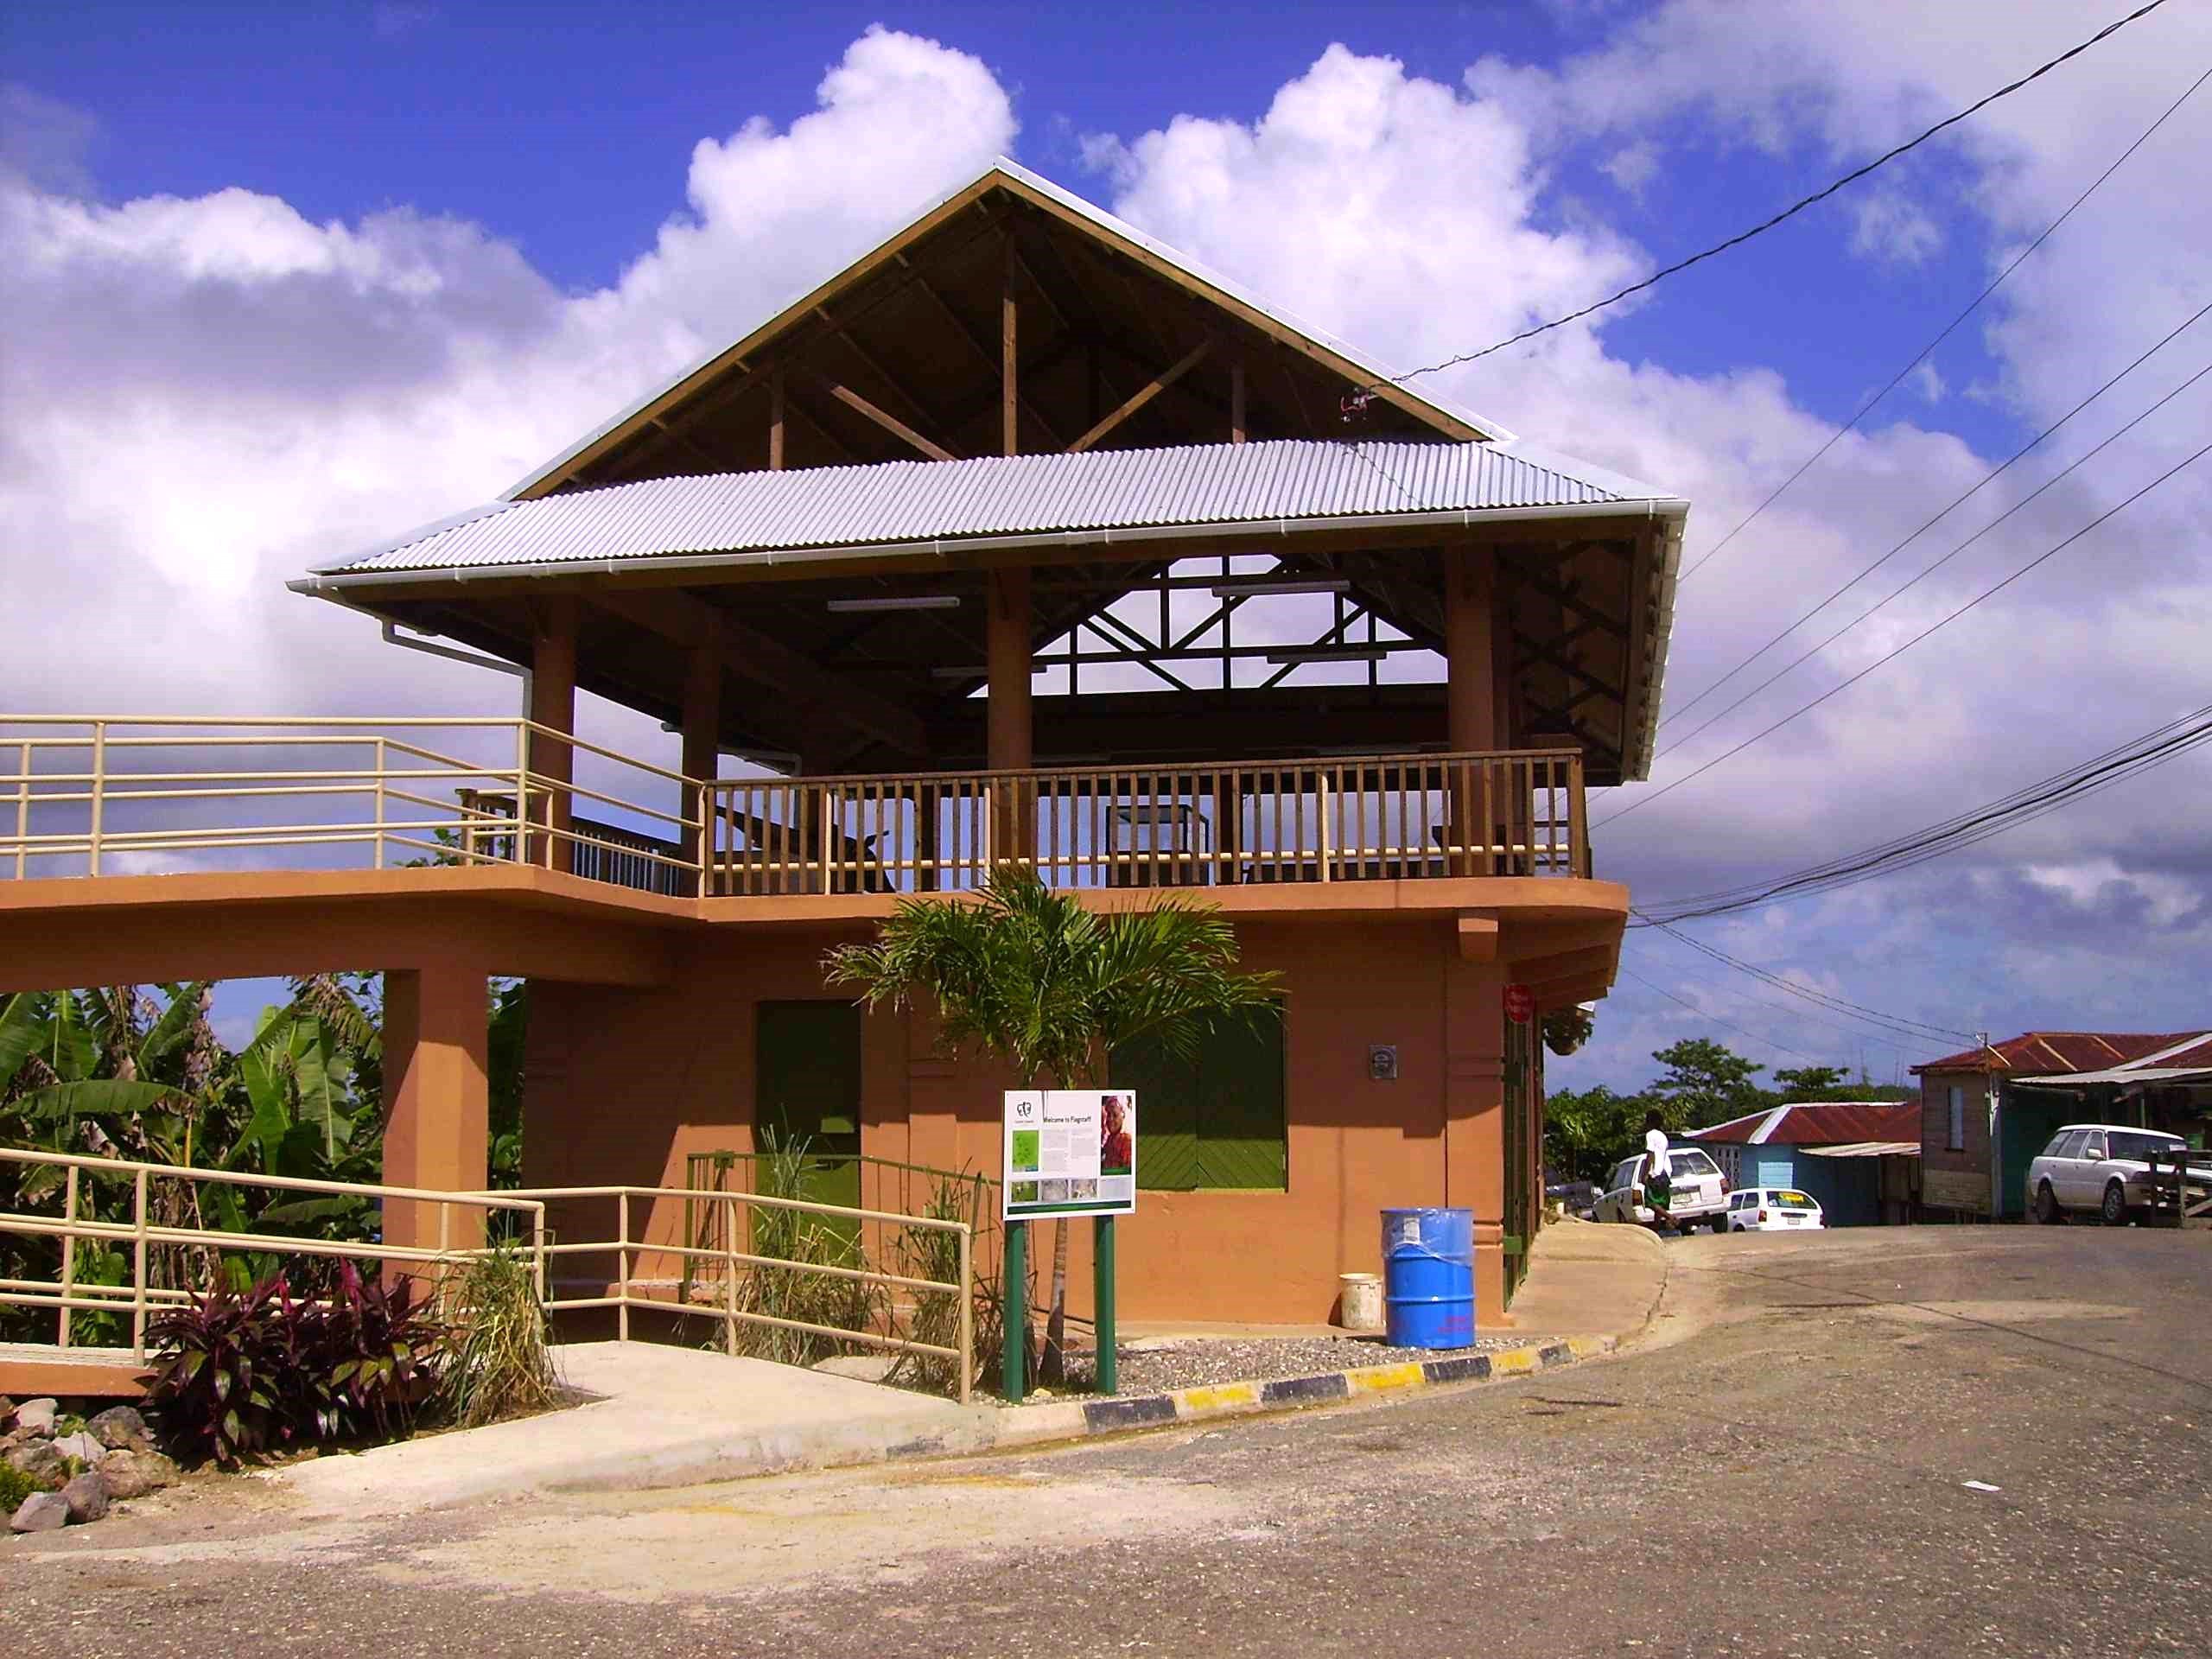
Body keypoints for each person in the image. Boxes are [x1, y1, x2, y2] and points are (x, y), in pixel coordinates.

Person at [1641, 1109, 1673, 1228]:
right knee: (1660, 1202)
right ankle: (1656, 1227)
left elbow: (1650, 1155)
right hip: (1665, 1172)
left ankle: (1671, 1218)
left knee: (1650, 1202)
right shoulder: (1663, 1136)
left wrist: (1645, 1173)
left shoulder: (1650, 1135)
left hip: (1655, 1173)